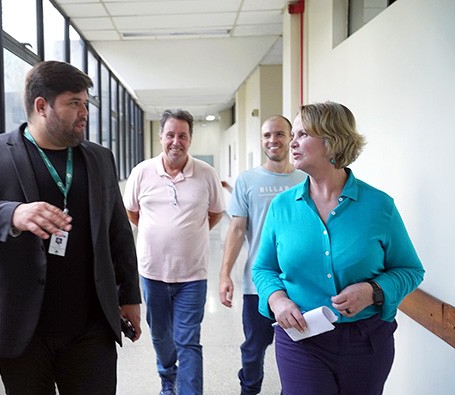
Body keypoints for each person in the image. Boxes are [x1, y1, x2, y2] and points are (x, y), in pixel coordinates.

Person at [0, 60, 142, 395]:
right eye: (73, 103)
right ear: (41, 106)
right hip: (23, 329)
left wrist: (130, 296)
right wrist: (13, 214)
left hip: (91, 325)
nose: (84, 112)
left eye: (85, 103)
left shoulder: (99, 158)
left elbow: (118, 232)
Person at [252, 101, 425, 395]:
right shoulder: (282, 206)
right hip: (301, 338)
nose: (291, 143)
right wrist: (277, 300)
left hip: (366, 340)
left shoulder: (379, 206)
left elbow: (410, 270)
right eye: (293, 134)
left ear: (332, 141)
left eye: (303, 134)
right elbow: (263, 268)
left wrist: (373, 291)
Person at [122, 109, 225, 395]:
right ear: (161, 137)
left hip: (193, 275)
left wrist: (189, 232)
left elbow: (216, 212)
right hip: (152, 272)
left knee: (189, 340)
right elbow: (132, 212)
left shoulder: (206, 174)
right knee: (161, 337)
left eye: (182, 135)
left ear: (191, 139)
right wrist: (160, 232)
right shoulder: (142, 172)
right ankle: (168, 376)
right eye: (170, 135)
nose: (176, 141)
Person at [219, 115, 305, 395]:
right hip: (258, 283)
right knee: (254, 348)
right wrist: (225, 275)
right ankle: (249, 389)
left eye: (279, 134)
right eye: (267, 135)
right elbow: (237, 229)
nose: (273, 140)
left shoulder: (305, 179)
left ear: (291, 138)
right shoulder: (248, 180)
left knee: (297, 349)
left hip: (299, 285)